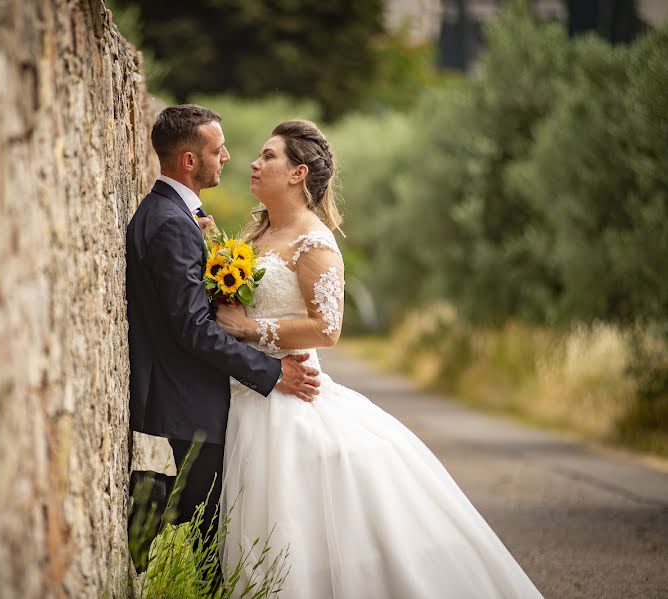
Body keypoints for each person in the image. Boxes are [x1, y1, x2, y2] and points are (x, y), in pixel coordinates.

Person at [214, 119, 544, 598]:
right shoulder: (254, 235)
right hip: (245, 394)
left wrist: (248, 328)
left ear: (297, 173)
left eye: (269, 156)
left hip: (290, 398)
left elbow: (327, 329)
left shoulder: (315, 241)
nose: (254, 163)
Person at [125, 105, 321, 574]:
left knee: (215, 518)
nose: (228, 158)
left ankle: (154, 499)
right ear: (190, 161)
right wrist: (273, 372)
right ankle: (148, 495)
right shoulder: (172, 222)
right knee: (212, 535)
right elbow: (193, 328)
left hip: (196, 392)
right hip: (190, 396)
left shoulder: (175, 214)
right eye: (217, 150)